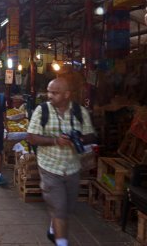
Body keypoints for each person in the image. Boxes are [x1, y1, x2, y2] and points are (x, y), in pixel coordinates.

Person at [27, 78, 96, 246]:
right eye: (49, 92)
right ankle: (62, 242)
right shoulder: (41, 110)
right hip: (50, 167)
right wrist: (55, 140)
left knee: (67, 209)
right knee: (59, 210)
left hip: (72, 168)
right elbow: (31, 137)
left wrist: (79, 138)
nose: (50, 96)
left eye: (55, 93)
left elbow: (91, 136)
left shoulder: (80, 112)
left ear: (67, 94)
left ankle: (53, 228)